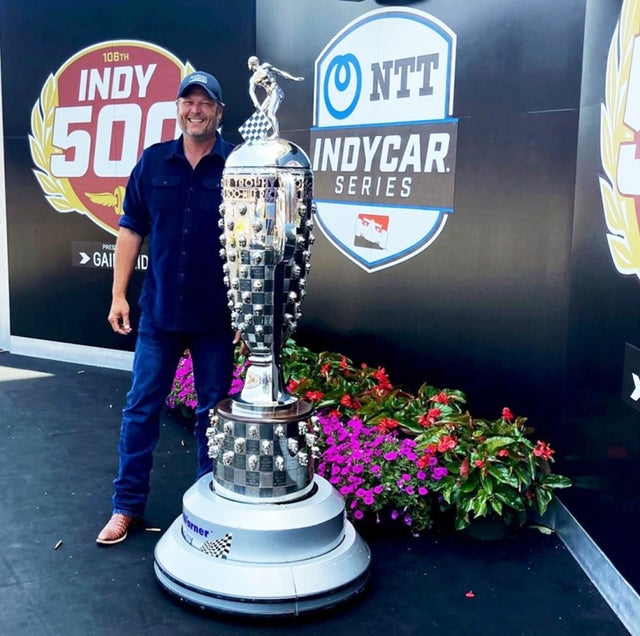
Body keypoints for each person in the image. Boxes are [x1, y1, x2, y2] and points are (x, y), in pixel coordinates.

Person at [96, 71, 235, 545]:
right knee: (140, 410)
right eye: (188, 101)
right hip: (159, 314)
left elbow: (254, 240)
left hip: (216, 319)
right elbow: (131, 227)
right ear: (178, 108)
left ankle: (208, 511)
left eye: (205, 103)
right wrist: (118, 295)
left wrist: (245, 312)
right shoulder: (153, 161)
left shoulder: (237, 165)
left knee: (213, 419)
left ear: (218, 111)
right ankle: (126, 507)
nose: (196, 110)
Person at [247, 56, 303, 137]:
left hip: (276, 91)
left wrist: (294, 78)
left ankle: (276, 133)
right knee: (261, 113)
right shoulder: (253, 78)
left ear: (251, 64)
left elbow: (280, 72)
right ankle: (264, 134)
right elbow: (251, 91)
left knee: (270, 113)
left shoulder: (265, 67)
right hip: (270, 94)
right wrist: (255, 101)